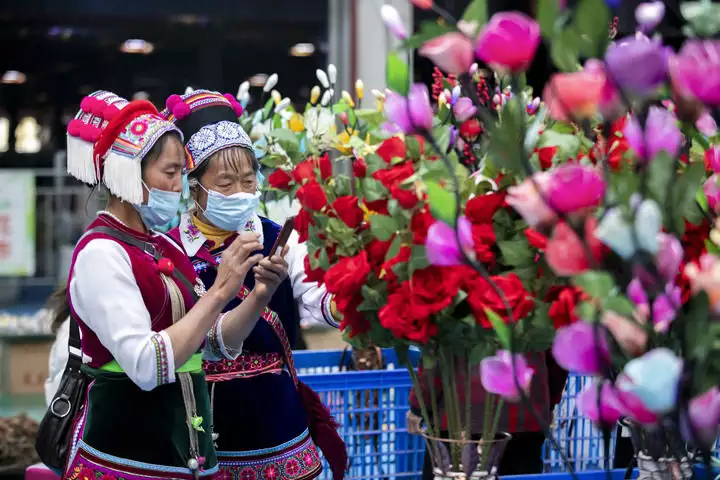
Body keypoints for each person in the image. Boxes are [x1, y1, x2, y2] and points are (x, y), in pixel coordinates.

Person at [53, 90, 289, 480]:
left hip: (184, 457)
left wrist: (256, 295)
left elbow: (211, 344)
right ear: (129, 173)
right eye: (170, 172)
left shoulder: (161, 244)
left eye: (183, 172)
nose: (181, 186)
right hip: (126, 459)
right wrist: (218, 291)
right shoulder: (101, 254)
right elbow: (146, 365)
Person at [162, 90, 345, 480]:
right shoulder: (171, 250)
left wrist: (358, 292)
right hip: (202, 422)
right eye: (226, 182)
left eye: (248, 180)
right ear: (192, 186)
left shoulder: (281, 238)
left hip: (277, 422)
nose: (242, 193)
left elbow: (319, 297)